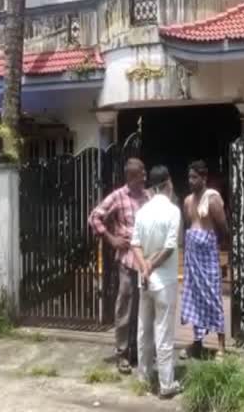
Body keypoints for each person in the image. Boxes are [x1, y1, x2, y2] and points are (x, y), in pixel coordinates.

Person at [88, 158, 148, 374]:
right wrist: (112, 239)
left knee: (140, 310)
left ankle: (135, 350)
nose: (145, 177)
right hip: (127, 261)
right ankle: (122, 353)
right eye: (141, 174)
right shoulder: (118, 196)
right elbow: (95, 217)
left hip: (145, 263)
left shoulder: (147, 196)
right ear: (132, 176)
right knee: (125, 307)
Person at [131, 165, 183, 399]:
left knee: (144, 330)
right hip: (164, 282)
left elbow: (135, 244)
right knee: (163, 333)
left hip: (144, 281)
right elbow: (170, 247)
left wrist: (144, 267)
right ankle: (166, 384)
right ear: (168, 183)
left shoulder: (142, 211)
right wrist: (151, 266)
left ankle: (142, 378)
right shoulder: (172, 211)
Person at [180, 160, 229, 359]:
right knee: (194, 298)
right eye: (189, 177)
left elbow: (223, 229)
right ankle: (197, 343)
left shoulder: (212, 199)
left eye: (195, 177)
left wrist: (216, 249)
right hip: (193, 257)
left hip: (208, 255)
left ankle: (221, 346)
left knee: (213, 298)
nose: (191, 181)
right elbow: (189, 225)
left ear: (204, 178)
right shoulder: (187, 201)